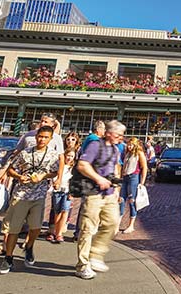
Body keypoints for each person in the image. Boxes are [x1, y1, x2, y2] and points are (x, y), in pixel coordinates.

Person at [0, 125, 60, 274]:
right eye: (40, 136)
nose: (42, 139)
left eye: (45, 137)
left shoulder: (53, 155)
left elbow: (55, 172)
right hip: (21, 194)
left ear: (50, 139)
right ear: (36, 136)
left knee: (36, 227)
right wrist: (19, 177)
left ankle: (29, 246)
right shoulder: (25, 153)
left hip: (39, 195)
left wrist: (44, 176)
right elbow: (11, 169)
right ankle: (8, 258)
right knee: (14, 229)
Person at [75, 120, 125, 280]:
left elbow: (115, 168)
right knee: (88, 228)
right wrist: (98, 179)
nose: (121, 138)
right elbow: (82, 165)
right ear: (109, 133)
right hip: (93, 192)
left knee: (112, 222)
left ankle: (95, 253)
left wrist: (116, 188)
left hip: (109, 193)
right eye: (119, 135)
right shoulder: (95, 145)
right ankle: (82, 265)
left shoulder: (116, 150)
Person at [119, 136, 147, 234]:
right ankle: (118, 222)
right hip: (125, 177)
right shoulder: (127, 153)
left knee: (132, 201)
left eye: (131, 145)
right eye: (128, 145)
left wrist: (142, 182)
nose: (129, 147)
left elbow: (144, 167)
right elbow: (123, 166)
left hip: (134, 177)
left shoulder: (139, 153)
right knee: (121, 199)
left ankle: (131, 225)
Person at [48, 148, 76, 243]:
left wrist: (72, 192)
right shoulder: (60, 166)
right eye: (68, 155)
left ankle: (59, 233)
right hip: (58, 190)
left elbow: (74, 181)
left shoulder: (73, 168)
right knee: (57, 212)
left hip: (67, 191)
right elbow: (54, 176)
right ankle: (55, 231)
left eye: (72, 156)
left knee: (65, 211)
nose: (69, 158)